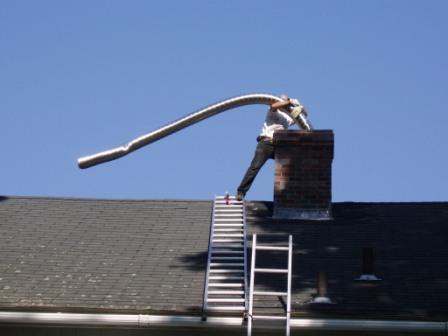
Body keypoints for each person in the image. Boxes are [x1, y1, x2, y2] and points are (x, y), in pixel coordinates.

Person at [236, 95, 306, 201]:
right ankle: (241, 192)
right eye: (283, 100)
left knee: (290, 166)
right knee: (255, 167)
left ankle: (290, 196)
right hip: (266, 143)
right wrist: (288, 102)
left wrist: (300, 106)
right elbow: (274, 105)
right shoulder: (273, 110)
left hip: (279, 146)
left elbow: (304, 116)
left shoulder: (287, 117)